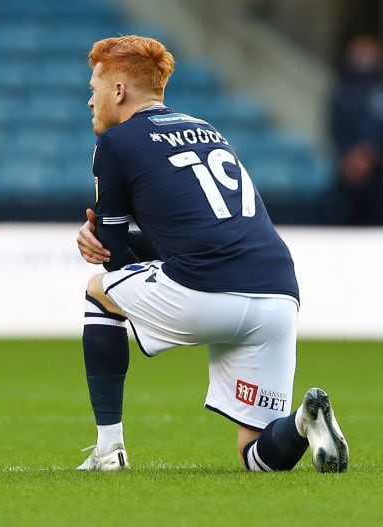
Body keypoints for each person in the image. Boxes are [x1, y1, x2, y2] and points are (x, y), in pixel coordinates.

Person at [74, 35, 348, 472]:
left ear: (119, 91)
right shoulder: (207, 129)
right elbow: (203, 233)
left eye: (94, 88)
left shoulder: (117, 143)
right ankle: (301, 423)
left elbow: (113, 259)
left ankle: (109, 450)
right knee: (257, 456)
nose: (90, 101)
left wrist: (95, 243)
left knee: (98, 291)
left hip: (206, 291)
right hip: (278, 295)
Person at [328, 34, 383, 225]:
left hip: (377, 172)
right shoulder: (342, 87)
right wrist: (348, 155)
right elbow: (335, 126)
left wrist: (371, 155)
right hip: (348, 169)